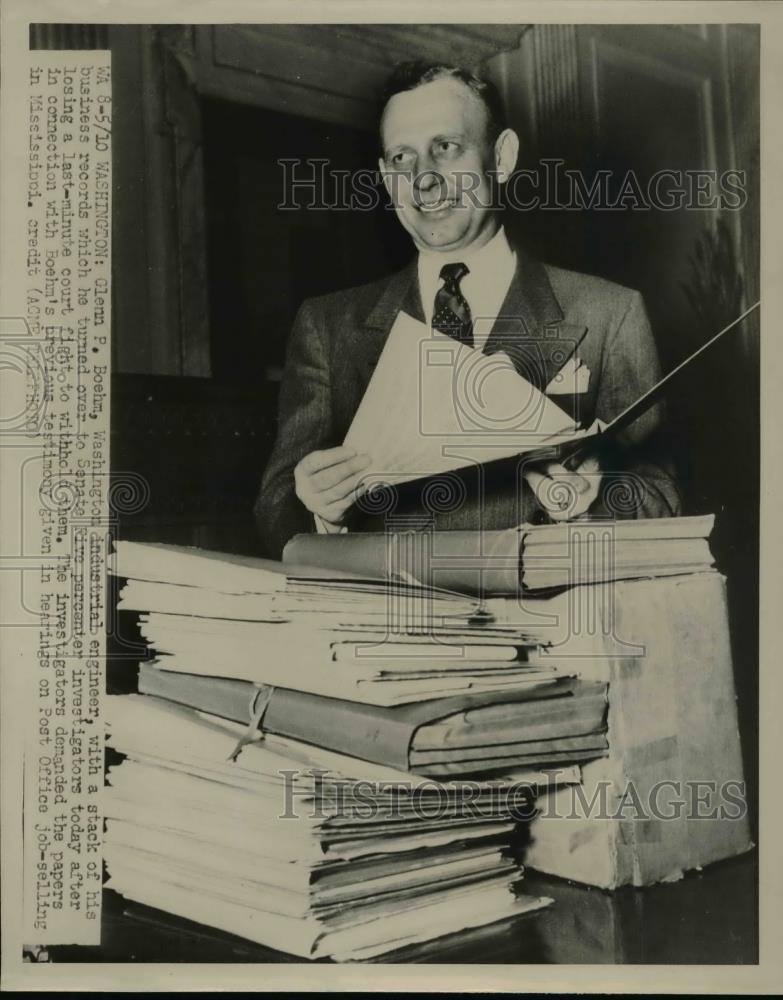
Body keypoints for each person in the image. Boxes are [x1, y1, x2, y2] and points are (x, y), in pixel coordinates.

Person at [255, 62, 680, 559]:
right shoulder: (328, 325)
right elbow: (274, 507)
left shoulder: (610, 314)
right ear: (387, 180)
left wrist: (591, 502)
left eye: (446, 148)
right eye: (402, 157)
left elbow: (662, 503)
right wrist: (320, 511)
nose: (424, 180)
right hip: (383, 626)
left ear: (501, 157)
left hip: (539, 626)